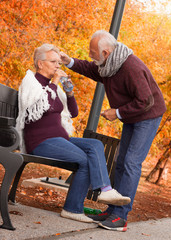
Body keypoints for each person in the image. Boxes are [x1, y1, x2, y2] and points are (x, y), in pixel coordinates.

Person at [60, 30, 167, 231]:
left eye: (93, 53)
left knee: (131, 162)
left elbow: (146, 101)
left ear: (106, 53)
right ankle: (112, 209)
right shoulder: (108, 64)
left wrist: (117, 113)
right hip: (133, 114)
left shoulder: (131, 68)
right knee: (119, 161)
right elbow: (92, 69)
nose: (91, 56)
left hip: (148, 114)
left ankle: (121, 217)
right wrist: (69, 61)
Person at [15, 43, 131, 224]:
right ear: (40, 64)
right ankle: (72, 209)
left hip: (59, 139)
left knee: (95, 144)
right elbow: (43, 108)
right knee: (83, 159)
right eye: (53, 61)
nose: (57, 65)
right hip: (40, 141)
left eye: (58, 62)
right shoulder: (31, 82)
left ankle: (105, 189)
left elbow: (73, 113)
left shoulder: (54, 87)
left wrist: (69, 93)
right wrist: (54, 83)